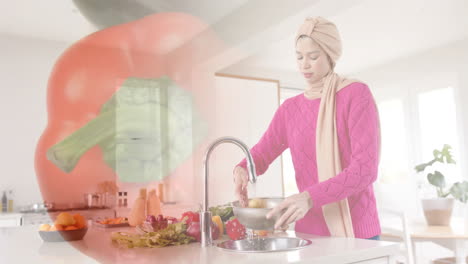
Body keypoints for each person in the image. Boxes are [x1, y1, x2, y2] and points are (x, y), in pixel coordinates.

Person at [233, 16, 381, 240]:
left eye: (313, 56)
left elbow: (365, 170)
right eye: (299, 56)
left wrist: (310, 197)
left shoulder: (356, 94)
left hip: (357, 232)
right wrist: (243, 168)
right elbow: (262, 153)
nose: (304, 64)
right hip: (310, 235)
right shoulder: (290, 110)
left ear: (330, 55)